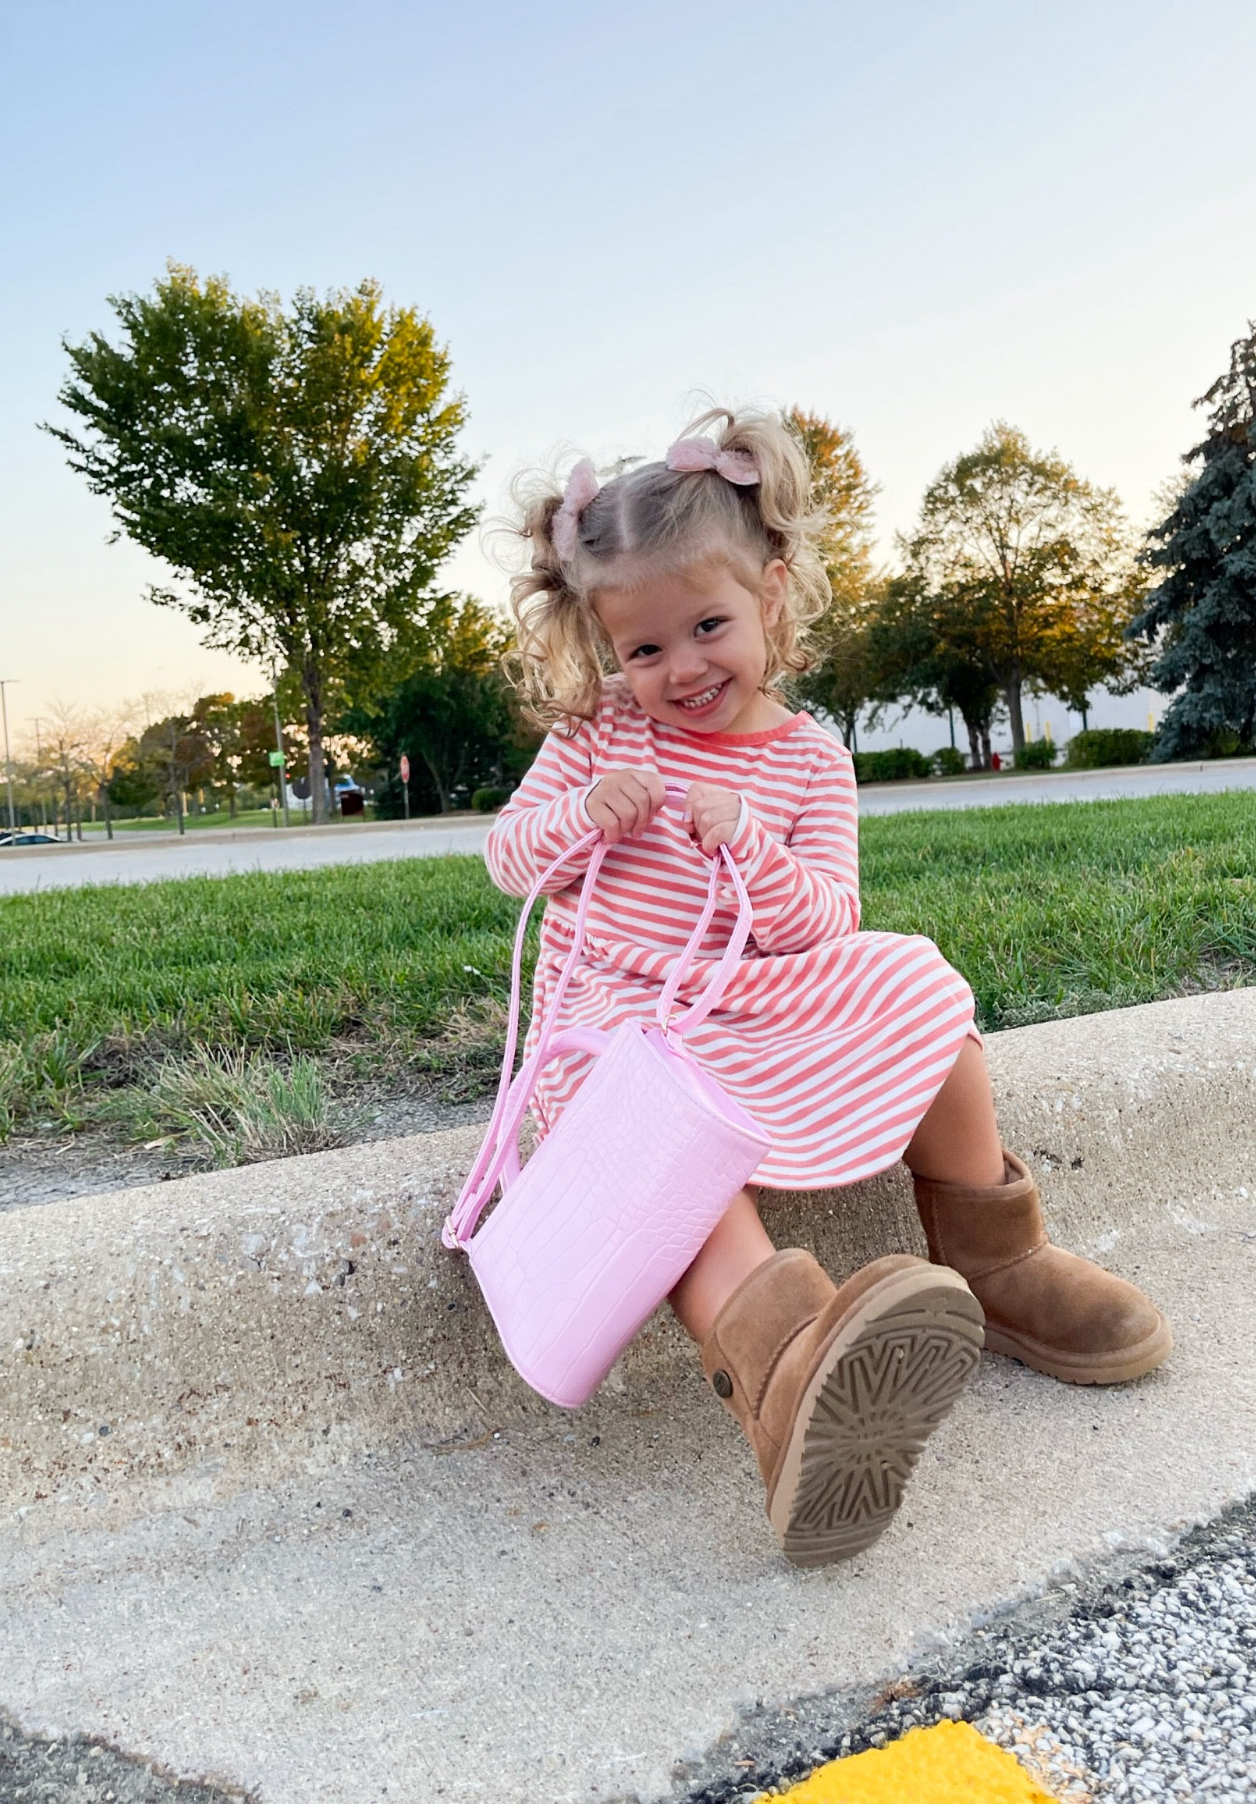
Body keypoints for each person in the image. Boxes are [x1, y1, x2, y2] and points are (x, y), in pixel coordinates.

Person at [486, 406, 1171, 1567]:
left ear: (770, 594)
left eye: (708, 626)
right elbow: (509, 858)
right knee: (657, 1132)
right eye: (643, 650)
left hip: (753, 1002)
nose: (680, 668)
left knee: (917, 981)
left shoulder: (808, 758)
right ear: (607, 647)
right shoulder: (600, 733)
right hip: (619, 1016)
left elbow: (824, 921)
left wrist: (750, 845)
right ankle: (790, 1374)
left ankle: (998, 1260)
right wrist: (578, 815)